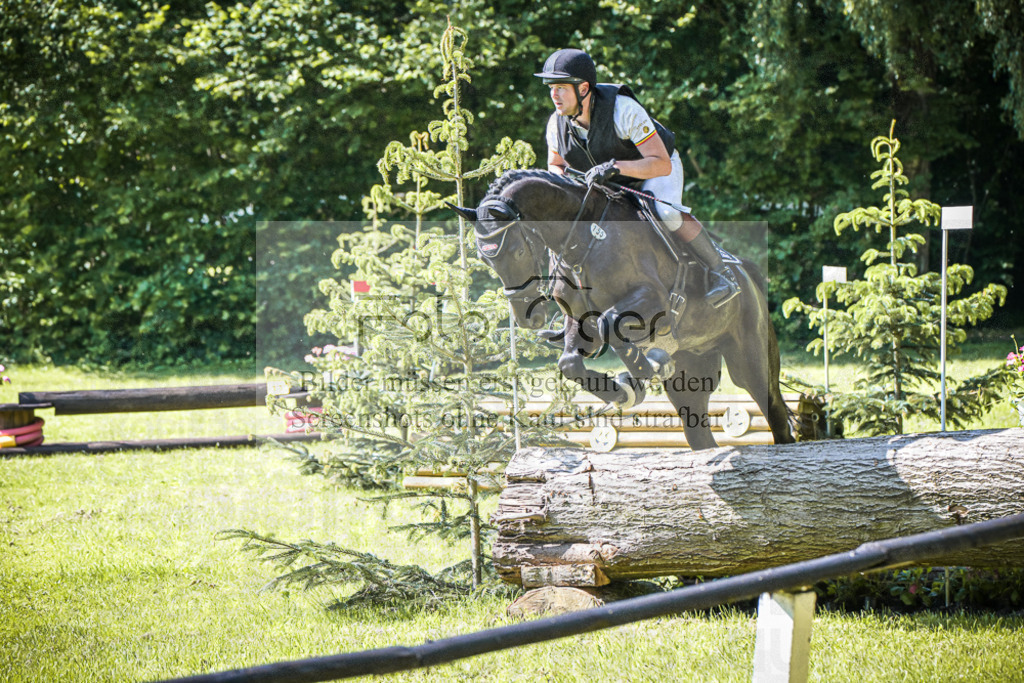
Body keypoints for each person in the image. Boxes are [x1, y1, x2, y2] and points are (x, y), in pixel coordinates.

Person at [535, 48, 739, 308]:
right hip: (610, 182)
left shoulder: (623, 110)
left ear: (583, 88)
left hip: (653, 169)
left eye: (561, 87)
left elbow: (661, 164)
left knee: (665, 212)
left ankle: (721, 272)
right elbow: (555, 164)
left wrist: (615, 167)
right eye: (551, 87)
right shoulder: (556, 123)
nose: (554, 94)